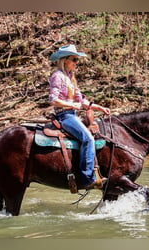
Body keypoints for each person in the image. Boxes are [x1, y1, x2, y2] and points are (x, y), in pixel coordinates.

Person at [48, 44, 110, 190]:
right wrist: (70, 104)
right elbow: (53, 99)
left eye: (77, 60)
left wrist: (98, 107)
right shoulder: (57, 76)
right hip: (64, 116)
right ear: (65, 60)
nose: (76, 63)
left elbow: (81, 101)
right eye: (74, 59)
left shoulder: (70, 77)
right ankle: (88, 178)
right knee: (87, 138)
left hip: (72, 114)